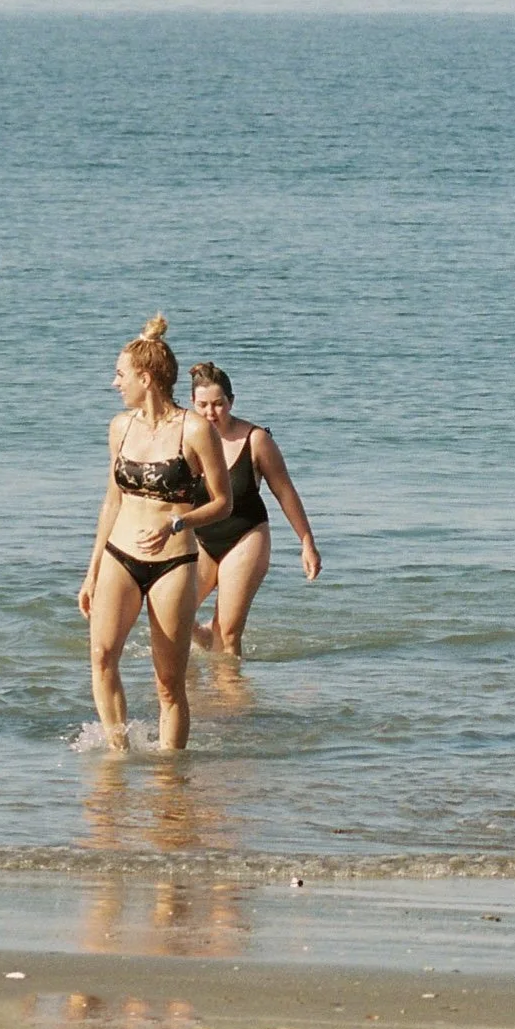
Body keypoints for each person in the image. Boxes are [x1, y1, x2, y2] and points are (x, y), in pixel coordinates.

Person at [77, 316, 232, 753]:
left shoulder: (194, 429)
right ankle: (117, 755)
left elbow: (224, 502)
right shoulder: (120, 427)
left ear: (146, 378)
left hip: (174, 561)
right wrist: (91, 573)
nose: (114, 383)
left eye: (120, 374)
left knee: (169, 683)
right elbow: (112, 501)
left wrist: (176, 522)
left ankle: (170, 780)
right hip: (118, 556)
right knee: (103, 658)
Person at [187, 360, 322, 654]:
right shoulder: (185, 439)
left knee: (229, 633)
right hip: (200, 540)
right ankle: (201, 647)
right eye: (203, 405)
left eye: (219, 404)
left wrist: (307, 542)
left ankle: (231, 696)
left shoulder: (256, 440)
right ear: (191, 404)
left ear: (231, 401)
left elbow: (285, 492)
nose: (211, 413)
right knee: (174, 616)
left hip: (245, 536)